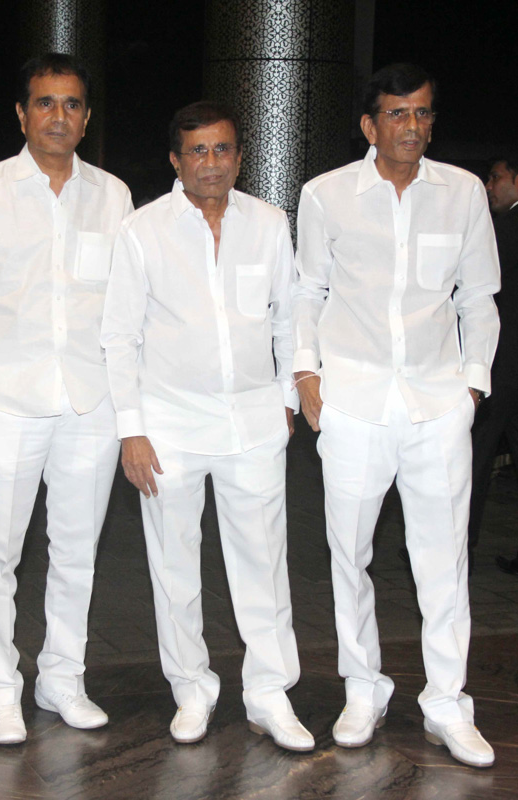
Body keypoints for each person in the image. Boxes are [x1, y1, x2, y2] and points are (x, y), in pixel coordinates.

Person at [292, 63, 499, 768]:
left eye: (422, 113)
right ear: (369, 124)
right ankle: (363, 687)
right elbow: (307, 293)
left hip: (439, 406)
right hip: (352, 404)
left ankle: (447, 702)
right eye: (398, 113)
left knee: (444, 558)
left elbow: (479, 299)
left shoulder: (463, 192)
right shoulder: (326, 195)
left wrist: (471, 389)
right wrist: (307, 378)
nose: (412, 126)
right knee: (348, 554)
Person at [0, 53, 133, 744]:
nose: (58, 116)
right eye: (45, 102)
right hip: (3, 403)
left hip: (90, 404)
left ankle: (62, 678)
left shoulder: (113, 196)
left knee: (77, 552)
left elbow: (126, 307)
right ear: (21, 113)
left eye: (71, 104)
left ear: (87, 117)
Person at [101, 101, 314, 751]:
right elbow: (119, 337)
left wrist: (286, 397)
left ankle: (269, 693)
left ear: (239, 157)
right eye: (197, 151)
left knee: (264, 565)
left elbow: (289, 316)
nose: (211, 163)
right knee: (175, 566)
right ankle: (191, 688)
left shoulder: (269, 223)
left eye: (222, 149)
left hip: (253, 423)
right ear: (175, 160)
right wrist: (131, 430)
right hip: (168, 426)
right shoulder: (143, 230)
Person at [469, 157, 518, 576]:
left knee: (477, 456)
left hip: (503, 365)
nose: (489, 186)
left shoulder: (503, 230)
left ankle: (457, 549)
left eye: (497, 177)